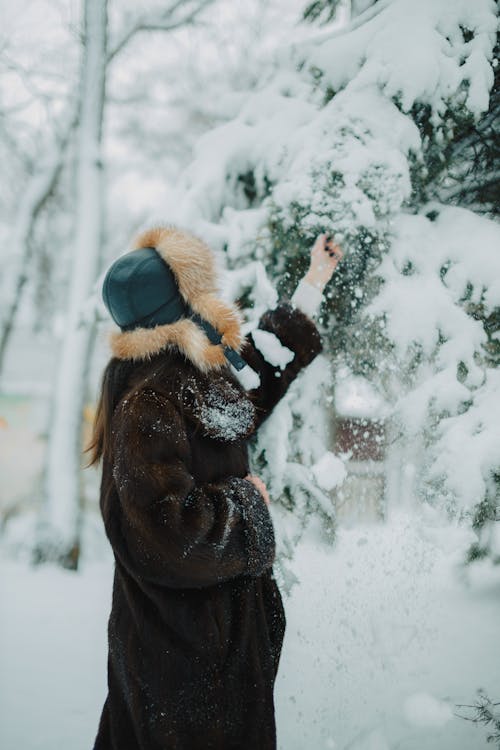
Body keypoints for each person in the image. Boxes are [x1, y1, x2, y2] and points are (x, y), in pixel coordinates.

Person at [87, 225, 343, 750]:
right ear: (176, 305)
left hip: (215, 661)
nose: (210, 299)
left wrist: (315, 280)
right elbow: (166, 532)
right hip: (179, 669)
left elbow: (258, 377)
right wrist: (247, 504)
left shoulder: (189, 374)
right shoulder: (147, 402)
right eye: (197, 289)